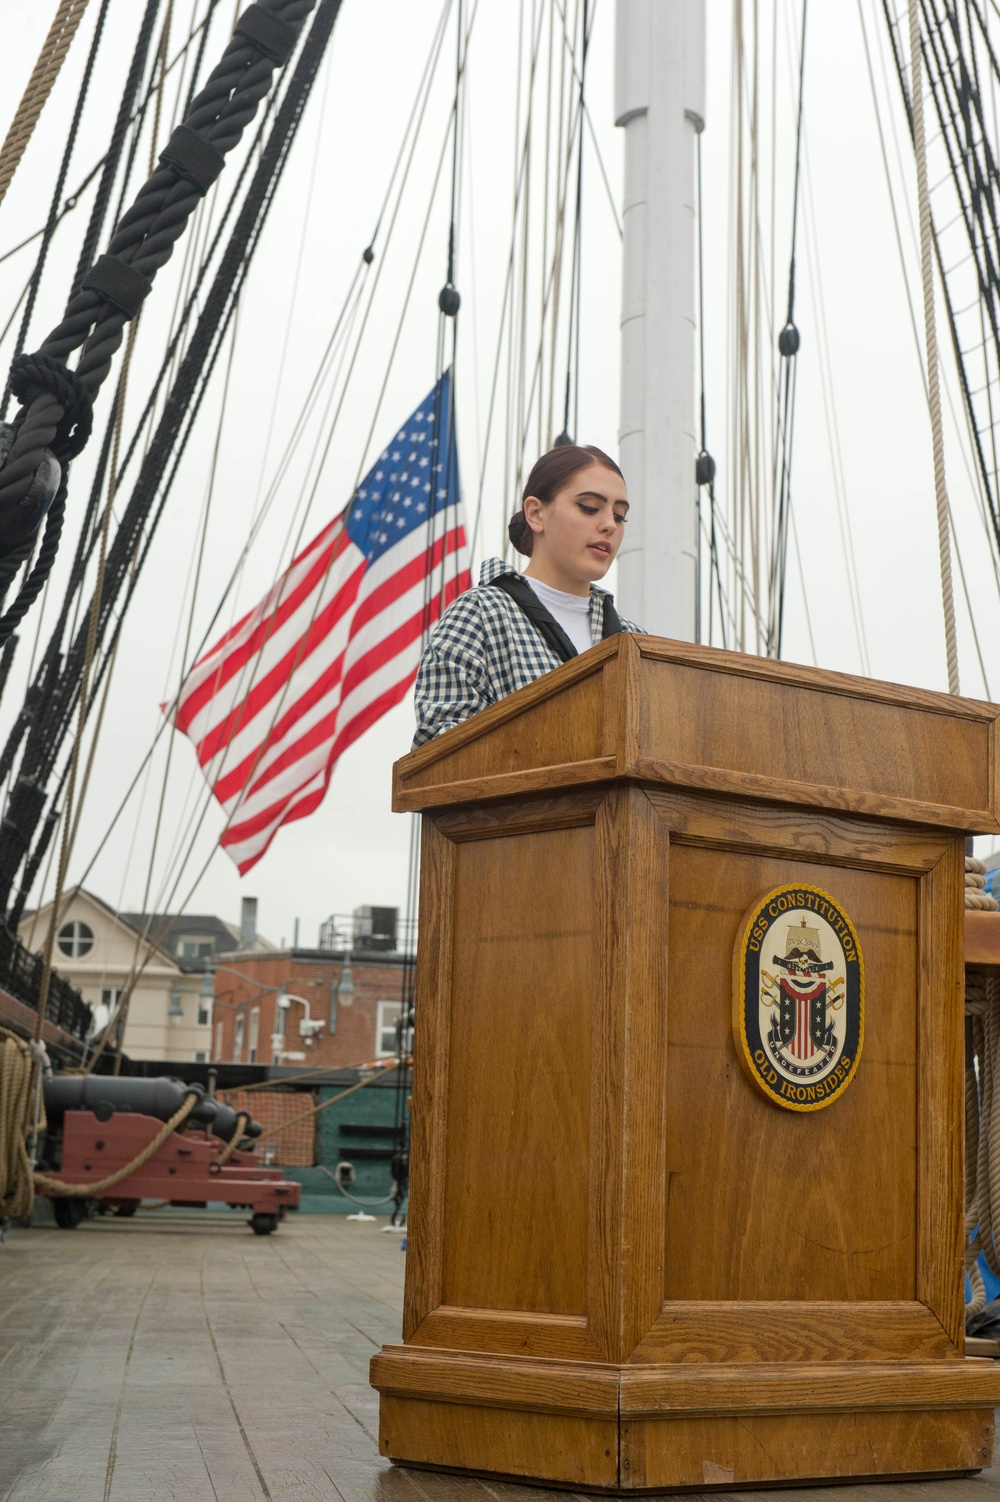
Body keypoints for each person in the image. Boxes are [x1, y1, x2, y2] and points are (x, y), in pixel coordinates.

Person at [412, 443, 641, 747]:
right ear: (535, 513)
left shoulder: (636, 640)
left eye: (620, 515)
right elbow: (441, 752)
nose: (609, 525)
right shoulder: (480, 615)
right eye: (589, 507)